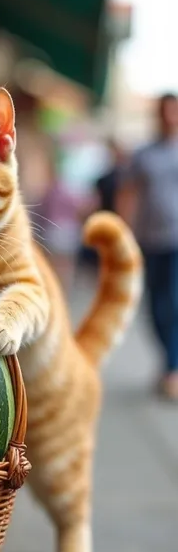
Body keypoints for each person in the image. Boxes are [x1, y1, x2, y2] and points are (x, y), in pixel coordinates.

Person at [118, 92, 178, 400]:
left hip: (176, 242)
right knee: (156, 306)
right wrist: (122, 235)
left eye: (173, 112)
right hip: (151, 242)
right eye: (164, 112)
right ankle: (169, 364)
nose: (169, 117)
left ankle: (172, 370)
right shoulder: (145, 154)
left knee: (172, 302)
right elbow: (129, 194)